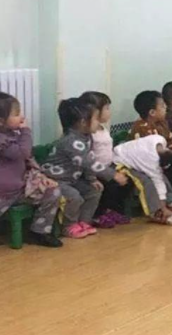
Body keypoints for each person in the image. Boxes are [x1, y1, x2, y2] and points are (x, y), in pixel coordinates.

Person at [43, 98, 129, 239]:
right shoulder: (71, 141)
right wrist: (113, 175)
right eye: (95, 118)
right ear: (83, 122)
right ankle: (69, 226)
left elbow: (88, 158)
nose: (98, 121)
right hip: (56, 180)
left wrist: (91, 178)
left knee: (94, 191)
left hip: (72, 179)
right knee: (74, 197)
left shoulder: (86, 137)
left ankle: (84, 222)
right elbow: (88, 162)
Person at [0, 92, 63, 247]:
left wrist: (40, 177)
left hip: (20, 188)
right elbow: (23, 153)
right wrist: (26, 131)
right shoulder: (0, 139)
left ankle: (39, 231)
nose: (22, 117)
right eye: (16, 114)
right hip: (2, 193)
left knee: (52, 192)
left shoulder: (12, 134)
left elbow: (28, 159)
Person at [129, 90, 172, 211]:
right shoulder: (140, 128)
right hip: (146, 163)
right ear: (152, 112)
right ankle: (168, 202)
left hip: (163, 157)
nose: (166, 107)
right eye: (162, 106)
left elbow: (170, 139)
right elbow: (146, 152)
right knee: (164, 172)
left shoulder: (162, 123)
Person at [80, 91, 132, 228]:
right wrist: (93, 177)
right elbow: (87, 158)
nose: (109, 112)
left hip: (109, 166)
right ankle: (99, 214)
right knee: (108, 186)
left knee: (127, 181)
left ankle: (113, 211)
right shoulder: (88, 134)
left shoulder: (103, 128)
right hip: (94, 171)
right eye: (107, 108)